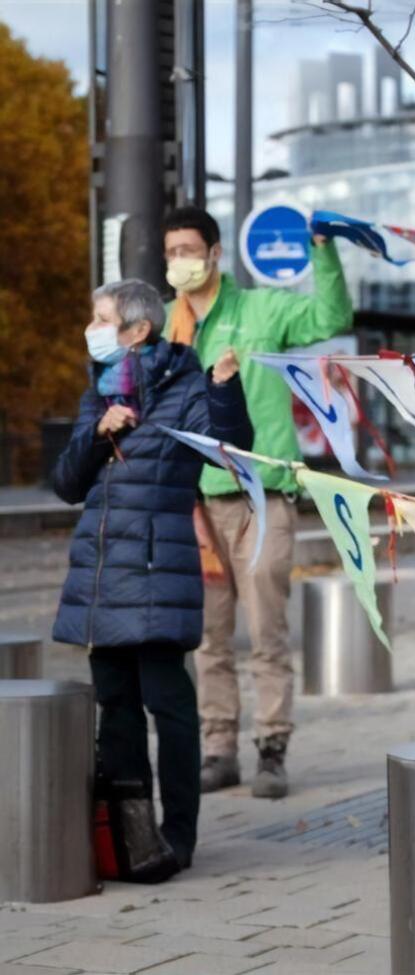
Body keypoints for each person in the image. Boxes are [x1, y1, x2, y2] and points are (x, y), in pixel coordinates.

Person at [52, 279, 252, 880]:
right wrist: (97, 431)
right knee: (115, 706)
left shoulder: (186, 384)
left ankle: (179, 836)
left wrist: (224, 389)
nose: (93, 327)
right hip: (103, 573)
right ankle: (131, 838)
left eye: (102, 317)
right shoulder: (101, 391)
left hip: (156, 564)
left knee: (170, 705)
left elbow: (232, 447)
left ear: (138, 330)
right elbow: (66, 483)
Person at [162, 205, 354, 799]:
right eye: (171, 253)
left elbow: (331, 314)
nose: (179, 263)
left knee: (265, 625)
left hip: (263, 496)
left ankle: (272, 747)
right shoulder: (169, 326)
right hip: (195, 504)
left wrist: (322, 251)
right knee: (208, 635)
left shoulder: (262, 309)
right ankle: (219, 747)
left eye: (189, 250)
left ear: (216, 253)